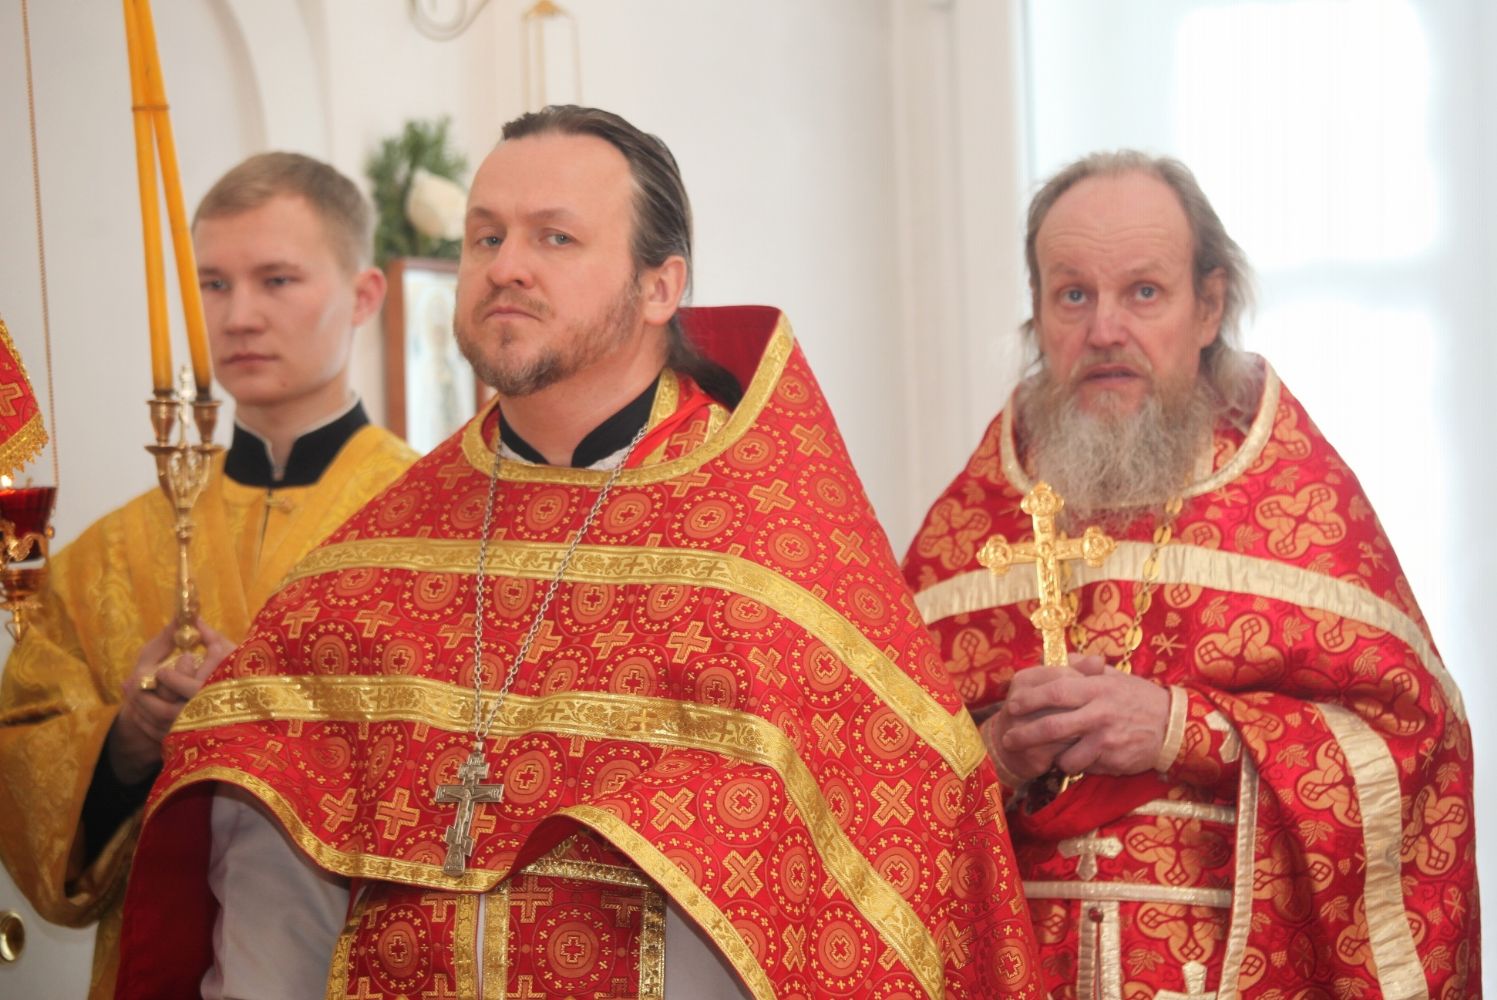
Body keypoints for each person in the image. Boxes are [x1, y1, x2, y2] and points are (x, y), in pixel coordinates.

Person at [116, 106, 1045, 999]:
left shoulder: (768, 550)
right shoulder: (370, 563)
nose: (505, 267)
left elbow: (864, 880)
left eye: (554, 237)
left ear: (660, 288)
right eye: (485, 237)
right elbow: (273, 893)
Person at [903, 150, 1479, 997]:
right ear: (1036, 309)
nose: (1104, 329)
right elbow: (884, 774)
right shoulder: (976, 515)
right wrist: (993, 753)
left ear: (1208, 306)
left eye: (1143, 292)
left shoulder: (1296, 498)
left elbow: (1414, 742)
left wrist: (1183, 730)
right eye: (1072, 295)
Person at [0, 151, 418, 999]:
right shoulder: (113, 552)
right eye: (213, 286)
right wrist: (126, 738)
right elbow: (28, 757)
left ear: (363, 296)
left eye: (277, 280)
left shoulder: (431, 521)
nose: (239, 317)